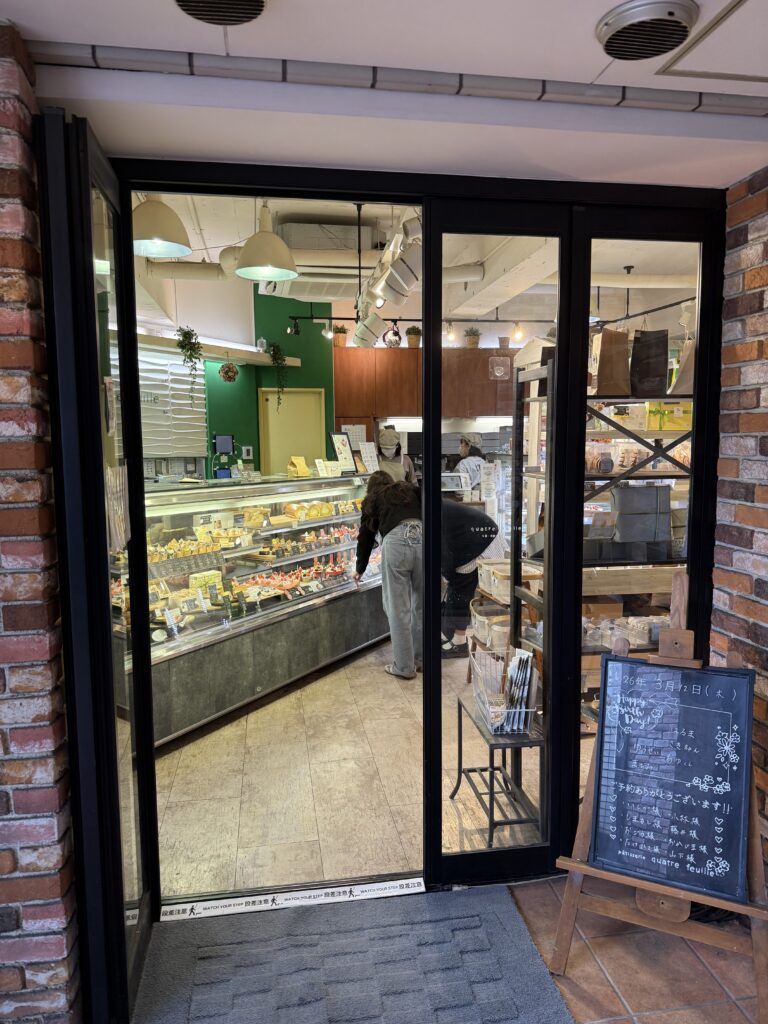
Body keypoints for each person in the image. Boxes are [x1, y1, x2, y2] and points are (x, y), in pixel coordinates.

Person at [354, 470, 422, 679]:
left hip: (397, 544)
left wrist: (360, 568)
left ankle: (404, 667)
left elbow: (365, 536)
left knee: (398, 608)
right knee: (422, 605)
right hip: (424, 537)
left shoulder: (374, 498)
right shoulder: (409, 490)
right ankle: (421, 659)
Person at [441, 498, 499, 658]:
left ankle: (459, 643)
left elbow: (444, 553)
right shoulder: (433, 505)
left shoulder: (430, 512)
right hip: (480, 538)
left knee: (460, 589)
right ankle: (450, 637)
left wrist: (447, 575)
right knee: (457, 589)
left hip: (483, 542)